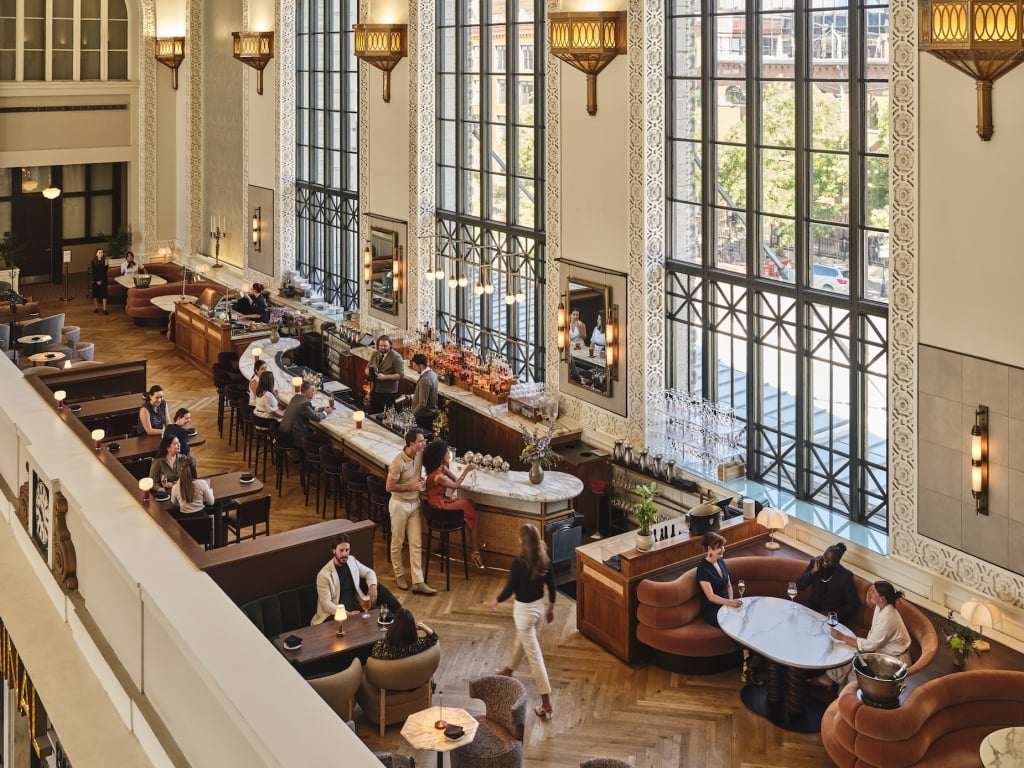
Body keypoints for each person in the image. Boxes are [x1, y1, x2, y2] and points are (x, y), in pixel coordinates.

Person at [491, 523, 556, 720]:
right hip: (538, 609)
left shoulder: (519, 563)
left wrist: (497, 600)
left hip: (523, 613)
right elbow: (552, 587)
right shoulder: (544, 559)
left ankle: (546, 702)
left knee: (534, 656)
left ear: (523, 541)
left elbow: (511, 587)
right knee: (523, 641)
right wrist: (551, 607)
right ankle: (508, 670)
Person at [812, 581, 911, 688]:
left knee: (856, 669)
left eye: (873, 592)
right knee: (849, 649)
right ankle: (830, 679)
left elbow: (870, 645)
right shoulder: (881, 607)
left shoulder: (888, 620)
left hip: (893, 661)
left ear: (882, 598)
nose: (870, 593)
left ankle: (846, 695)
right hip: (880, 651)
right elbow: (871, 642)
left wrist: (843, 637)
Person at [696, 532, 758, 684]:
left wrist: (731, 600)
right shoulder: (702, 569)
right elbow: (710, 596)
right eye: (719, 547)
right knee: (736, 624)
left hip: (726, 603)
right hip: (712, 608)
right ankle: (748, 664)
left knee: (747, 618)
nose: (723, 549)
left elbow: (729, 585)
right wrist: (728, 604)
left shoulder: (722, 563)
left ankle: (751, 661)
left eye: (723, 546)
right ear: (710, 548)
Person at [386, 428, 437, 595]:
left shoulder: (420, 454)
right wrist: (411, 486)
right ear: (411, 444)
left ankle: (418, 581)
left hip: (414, 504)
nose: (424, 444)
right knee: (398, 542)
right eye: (421, 441)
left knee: (416, 543)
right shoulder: (398, 462)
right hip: (399, 505)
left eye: (423, 441)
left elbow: (437, 454)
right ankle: (399, 575)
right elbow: (389, 487)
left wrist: (420, 482)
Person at [310, 534, 401, 625]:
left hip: (356, 609)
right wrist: (346, 614)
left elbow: (369, 572)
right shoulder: (323, 575)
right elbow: (326, 605)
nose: (344, 554)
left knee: (386, 616)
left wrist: (373, 587)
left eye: (347, 550)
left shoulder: (351, 560)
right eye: (341, 550)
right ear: (334, 551)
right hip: (335, 615)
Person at [422, 439, 483, 567]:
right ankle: (476, 548)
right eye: (446, 451)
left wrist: (454, 492)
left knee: (470, 508)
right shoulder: (438, 476)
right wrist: (466, 470)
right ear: (441, 455)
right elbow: (456, 483)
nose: (448, 453)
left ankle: (476, 546)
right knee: (469, 505)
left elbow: (455, 481)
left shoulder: (442, 468)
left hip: (438, 505)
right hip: (439, 509)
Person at [795, 543, 859, 624]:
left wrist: (832, 615)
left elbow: (852, 604)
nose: (825, 561)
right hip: (811, 609)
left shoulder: (845, 576)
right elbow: (799, 586)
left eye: (830, 560)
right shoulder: (815, 563)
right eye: (825, 556)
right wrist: (813, 572)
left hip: (830, 617)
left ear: (837, 562)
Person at [370, 608, 438, 661]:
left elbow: (373, 656)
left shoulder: (381, 647)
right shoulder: (418, 645)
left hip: (387, 677)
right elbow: (434, 637)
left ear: (394, 626)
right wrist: (423, 627)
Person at [396, 353, 438, 431]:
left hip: (424, 416)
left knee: (422, 437)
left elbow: (422, 403)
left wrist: (411, 415)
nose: (414, 368)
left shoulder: (425, 379)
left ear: (421, 365)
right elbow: (424, 394)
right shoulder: (432, 374)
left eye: (415, 366)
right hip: (429, 414)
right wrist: (410, 397)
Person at [366, 334, 405, 414]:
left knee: (386, 416)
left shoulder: (396, 357)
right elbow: (367, 368)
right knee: (373, 414)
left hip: (388, 393)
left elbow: (400, 375)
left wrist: (384, 377)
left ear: (390, 345)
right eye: (380, 345)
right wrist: (370, 373)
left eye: (385, 346)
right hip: (375, 391)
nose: (383, 348)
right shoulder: (375, 354)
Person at [90, 247, 109, 314]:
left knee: (104, 294)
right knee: (95, 294)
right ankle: (96, 307)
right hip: (95, 280)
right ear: (96, 254)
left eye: (101, 252)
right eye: (99, 252)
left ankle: (104, 309)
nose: (100, 254)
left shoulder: (105, 260)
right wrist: (97, 280)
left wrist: (101, 280)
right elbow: (94, 272)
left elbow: (104, 271)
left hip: (104, 279)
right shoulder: (93, 261)